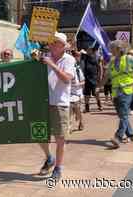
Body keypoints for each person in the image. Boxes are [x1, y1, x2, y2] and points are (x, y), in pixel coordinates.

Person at [37, 32, 75, 181]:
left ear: (63, 46)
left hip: (60, 103)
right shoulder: (45, 58)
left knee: (60, 139)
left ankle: (58, 167)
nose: (51, 44)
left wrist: (51, 64)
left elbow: (66, 79)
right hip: (43, 102)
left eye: (55, 42)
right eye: (51, 42)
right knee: (39, 135)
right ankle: (49, 157)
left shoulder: (69, 59)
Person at [101, 40, 133, 148]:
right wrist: (100, 86)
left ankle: (118, 137)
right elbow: (107, 75)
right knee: (122, 115)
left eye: (112, 48)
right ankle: (130, 134)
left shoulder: (129, 59)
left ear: (119, 49)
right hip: (115, 92)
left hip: (127, 90)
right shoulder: (112, 61)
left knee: (124, 114)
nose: (110, 50)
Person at [82, 46, 103, 112]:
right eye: (87, 49)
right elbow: (76, 53)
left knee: (96, 93)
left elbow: (100, 67)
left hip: (94, 78)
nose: (87, 50)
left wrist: (100, 76)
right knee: (86, 94)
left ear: (92, 50)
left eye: (89, 49)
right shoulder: (84, 57)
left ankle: (99, 105)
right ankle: (87, 107)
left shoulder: (96, 58)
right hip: (86, 78)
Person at [70, 50, 85, 131]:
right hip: (69, 95)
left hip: (78, 94)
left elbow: (83, 81)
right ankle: (70, 126)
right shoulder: (66, 70)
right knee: (70, 112)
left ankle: (81, 122)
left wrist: (77, 85)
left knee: (78, 111)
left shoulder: (78, 70)